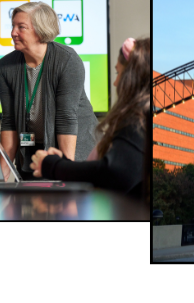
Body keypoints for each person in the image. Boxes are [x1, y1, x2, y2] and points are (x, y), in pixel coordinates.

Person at [29, 38, 149, 198]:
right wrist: (63, 163)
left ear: (130, 77)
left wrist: (54, 166)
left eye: (117, 73)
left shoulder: (138, 119)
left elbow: (112, 173)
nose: (115, 82)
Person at [0, 1, 98, 179]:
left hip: (75, 151)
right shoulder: (5, 66)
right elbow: (9, 122)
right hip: (33, 152)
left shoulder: (67, 60)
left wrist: (67, 170)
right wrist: (0, 176)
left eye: (21, 27)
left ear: (40, 30)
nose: (13, 33)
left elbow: (66, 118)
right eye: (13, 26)